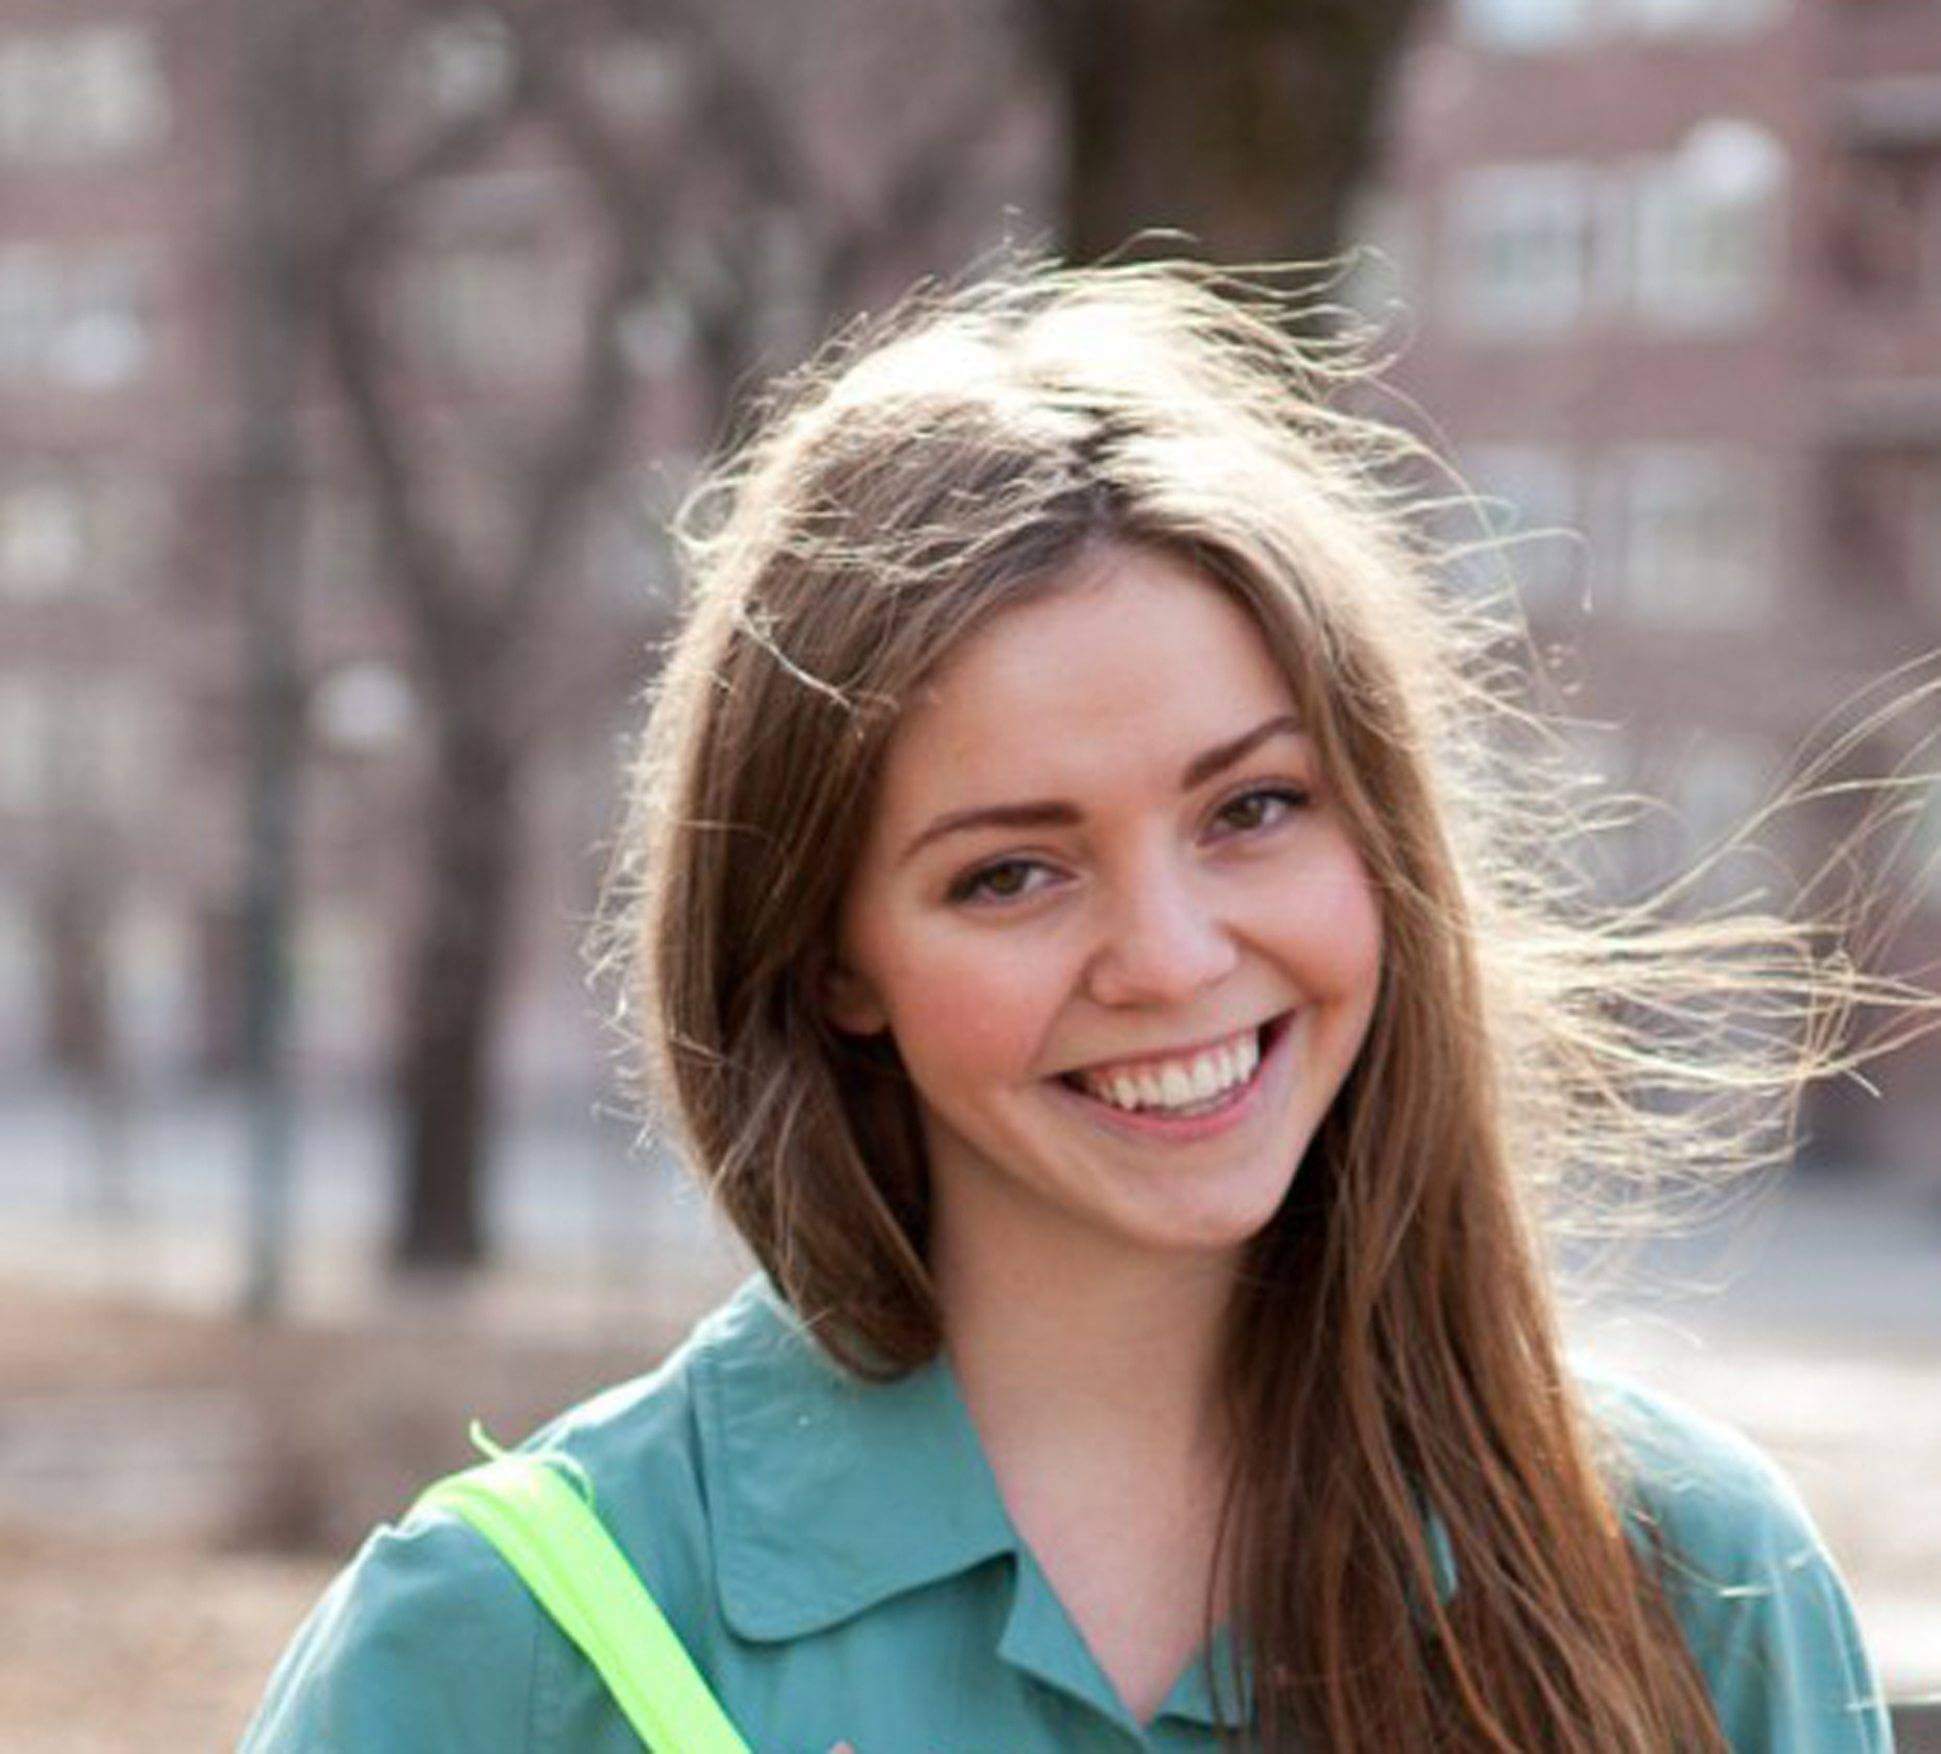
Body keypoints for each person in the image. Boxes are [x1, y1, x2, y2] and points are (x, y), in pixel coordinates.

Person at [243, 260, 1904, 1752]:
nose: (1172, 956)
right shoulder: (504, 1647)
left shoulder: (1687, 1581)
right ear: (830, 956)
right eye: (1010, 873)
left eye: (1250, 808)